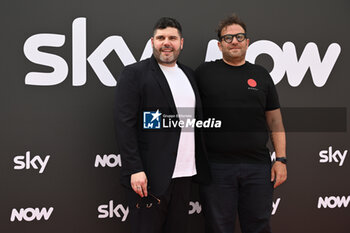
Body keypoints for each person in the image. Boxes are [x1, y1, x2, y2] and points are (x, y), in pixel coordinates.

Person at [114, 17, 210, 233]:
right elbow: (124, 124)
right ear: (152, 41)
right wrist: (134, 169)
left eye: (172, 38)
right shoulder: (135, 74)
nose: (166, 42)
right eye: (161, 37)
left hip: (184, 174)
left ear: (181, 42)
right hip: (150, 176)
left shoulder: (189, 75)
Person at [195, 14, 287, 233]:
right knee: (218, 227)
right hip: (216, 167)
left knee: (258, 225)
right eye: (228, 38)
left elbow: (275, 120)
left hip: (257, 166)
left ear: (247, 42)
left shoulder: (261, 75)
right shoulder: (204, 73)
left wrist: (281, 159)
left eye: (239, 36)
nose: (234, 41)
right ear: (219, 45)